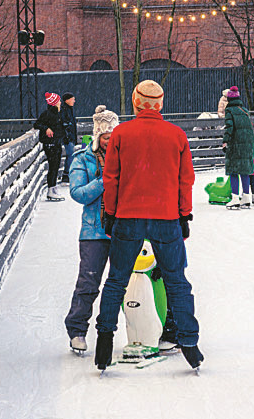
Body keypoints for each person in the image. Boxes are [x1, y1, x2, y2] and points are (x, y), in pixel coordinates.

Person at [95, 79, 202, 371]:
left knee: (116, 280)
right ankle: (189, 344)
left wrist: (111, 213)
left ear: (136, 102)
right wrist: (184, 215)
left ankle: (104, 341)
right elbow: (185, 180)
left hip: (128, 217)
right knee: (176, 281)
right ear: (160, 105)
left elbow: (111, 178)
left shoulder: (121, 134)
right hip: (166, 218)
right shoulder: (176, 135)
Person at [64, 105, 119, 353]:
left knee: (126, 283)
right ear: (98, 136)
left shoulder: (125, 157)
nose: (111, 142)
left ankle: (136, 329)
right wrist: (104, 179)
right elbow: (78, 193)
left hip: (122, 229)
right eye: (106, 137)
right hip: (94, 232)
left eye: (114, 136)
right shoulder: (82, 159)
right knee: (88, 283)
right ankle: (77, 330)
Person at [222, 86, 254, 209]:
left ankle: (235, 199)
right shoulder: (245, 110)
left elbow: (229, 127)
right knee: (244, 170)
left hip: (236, 144)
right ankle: (246, 198)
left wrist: (225, 141)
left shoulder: (229, 110)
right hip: (247, 144)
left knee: (233, 171)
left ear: (229, 99)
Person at [34, 92, 66, 201]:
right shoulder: (47, 114)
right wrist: (46, 128)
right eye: (59, 101)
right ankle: (50, 190)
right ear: (54, 103)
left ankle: (53, 187)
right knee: (53, 167)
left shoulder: (58, 114)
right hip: (50, 144)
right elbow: (37, 124)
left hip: (56, 143)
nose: (60, 102)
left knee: (55, 166)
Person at [61, 92, 77, 183]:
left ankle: (67, 174)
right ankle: (66, 174)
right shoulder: (65, 110)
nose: (74, 101)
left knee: (70, 155)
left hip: (69, 137)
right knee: (70, 155)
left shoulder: (69, 109)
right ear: (67, 100)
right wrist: (67, 135)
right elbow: (65, 123)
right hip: (68, 137)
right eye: (72, 99)